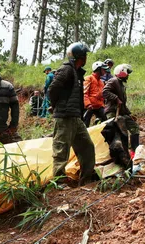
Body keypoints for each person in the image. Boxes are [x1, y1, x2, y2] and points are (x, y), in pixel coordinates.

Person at [48, 42, 95, 186]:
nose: (86, 57)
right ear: (79, 56)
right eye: (85, 54)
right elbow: (52, 90)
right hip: (64, 116)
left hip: (75, 117)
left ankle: (87, 178)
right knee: (61, 149)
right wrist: (57, 106)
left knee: (87, 146)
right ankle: (59, 181)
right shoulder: (66, 70)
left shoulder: (77, 72)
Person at [103, 63, 140, 155]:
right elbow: (105, 92)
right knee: (119, 133)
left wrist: (129, 113)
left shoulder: (121, 85)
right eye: (127, 72)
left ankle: (135, 151)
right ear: (121, 72)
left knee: (134, 127)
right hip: (113, 112)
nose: (128, 75)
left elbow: (122, 103)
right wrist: (116, 98)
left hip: (121, 112)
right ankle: (122, 154)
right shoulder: (113, 80)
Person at [83, 61, 108, 127]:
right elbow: (84, 93)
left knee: (106, 122)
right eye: (103, 69)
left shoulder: (101, 82)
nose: (105, 71)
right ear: (98, 69)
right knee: (85, 124)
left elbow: (102, 96)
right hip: (89, 107)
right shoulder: (88, 78)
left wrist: (103, 105)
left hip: (99, 106)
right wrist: (88, 104)